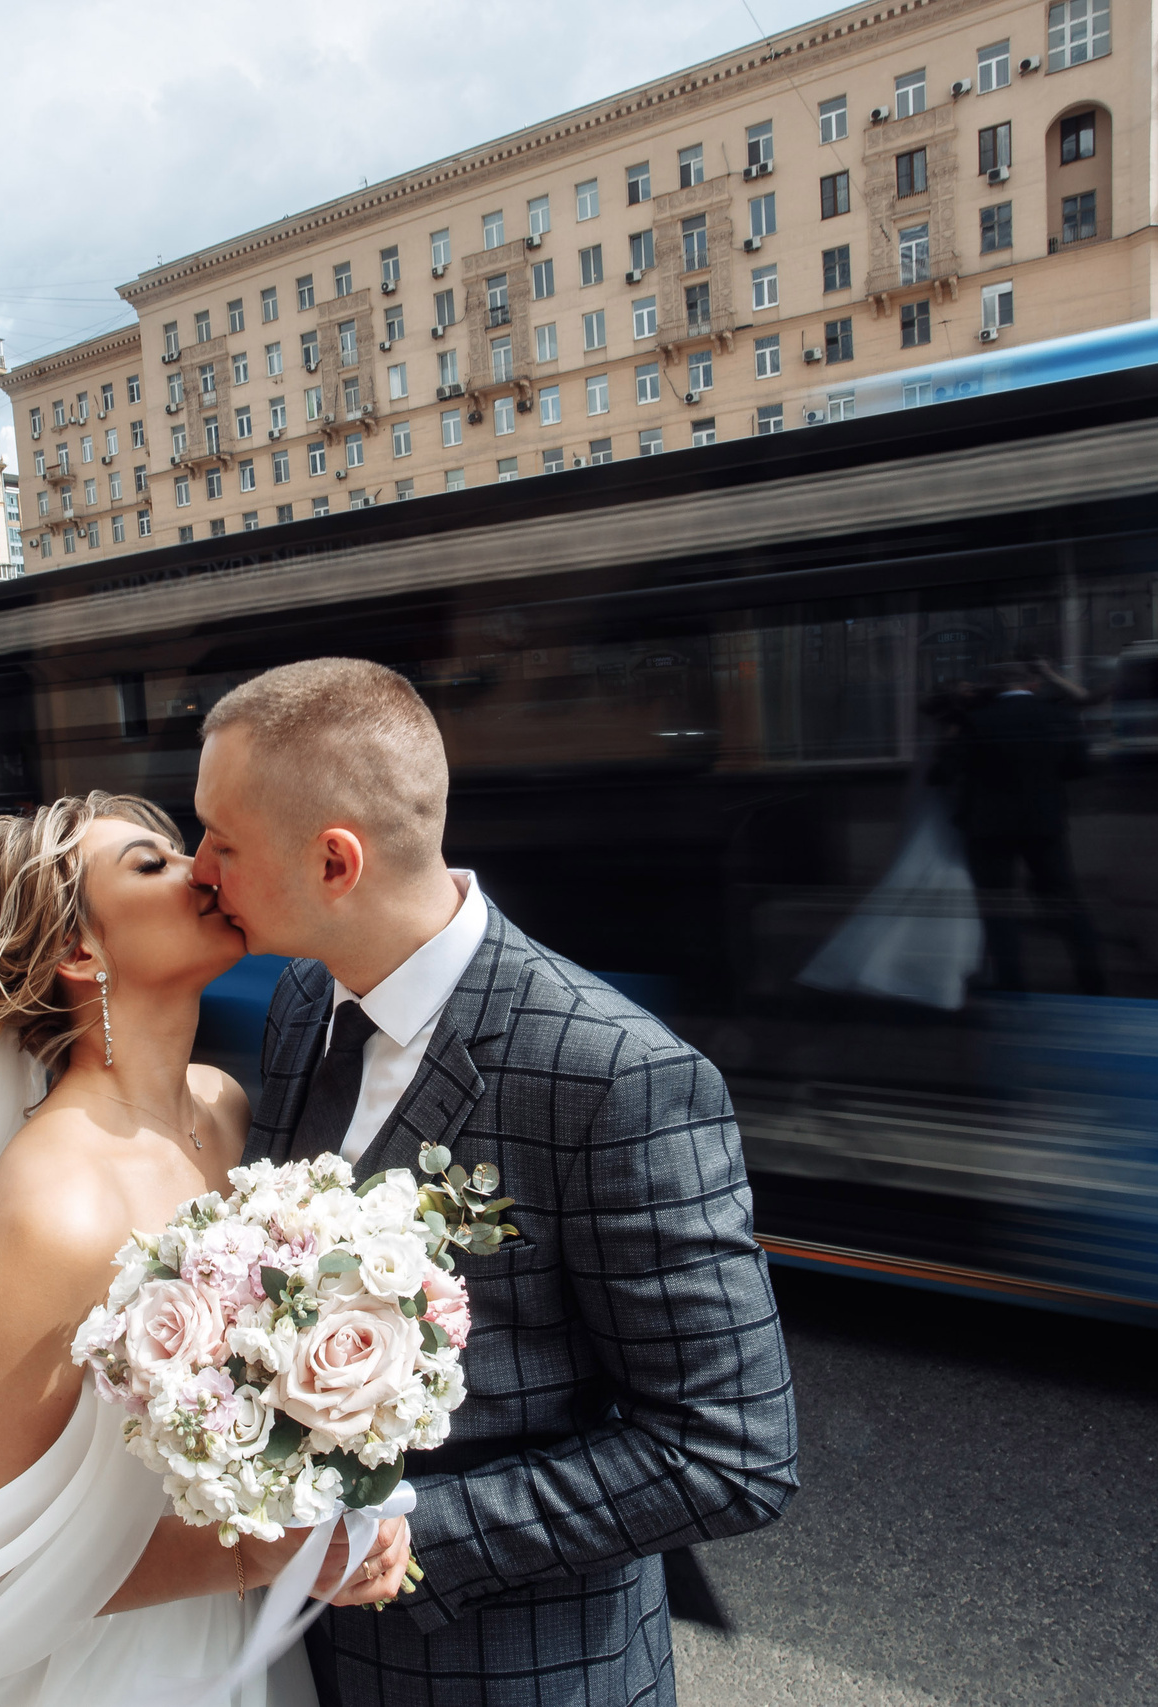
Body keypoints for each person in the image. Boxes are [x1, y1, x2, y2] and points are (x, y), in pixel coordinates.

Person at [190, 658, 799, 1706]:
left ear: (336, 863)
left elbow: (730, 1453)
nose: (198, 869)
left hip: (513, 1677)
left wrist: (418, 1527)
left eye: (222, 841)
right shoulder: (299, 1003)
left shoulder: (614, 1076)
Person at [0, 792, 403, 1707]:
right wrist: (260, 1552)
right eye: (151, 864)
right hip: (103, 1670)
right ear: (82, 950)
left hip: (229, 1642)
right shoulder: (52, 1208)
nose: (202, 868)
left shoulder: (224, 1107)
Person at [932, 657, 1106, 994]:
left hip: (988, 827)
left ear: (994, 688)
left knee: (998, 907)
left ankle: (1012, 984)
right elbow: (1079, 767)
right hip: (1043, 821)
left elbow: (945, 773)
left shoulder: (976, 721)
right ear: (1033, 685)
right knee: (1064, 901)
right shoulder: (1059, 715)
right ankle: (1092, 979)